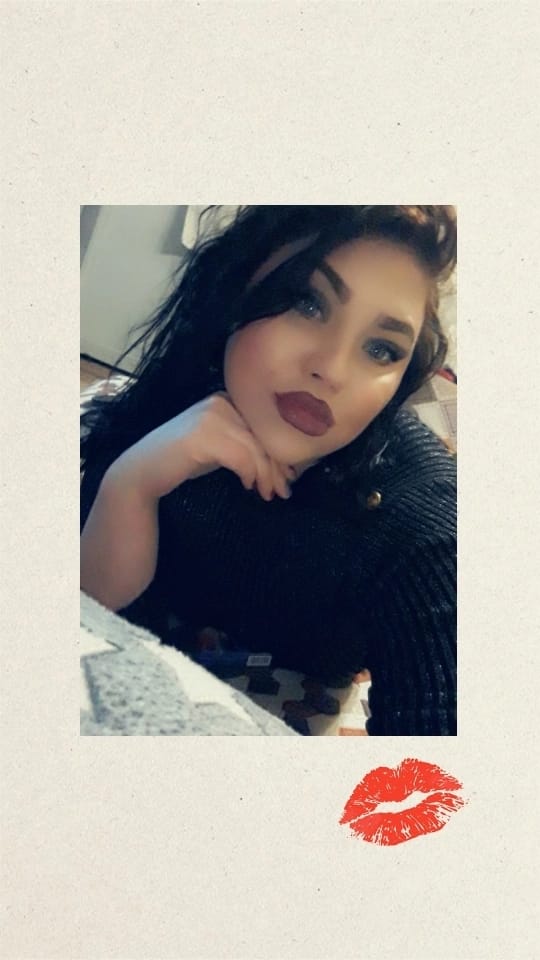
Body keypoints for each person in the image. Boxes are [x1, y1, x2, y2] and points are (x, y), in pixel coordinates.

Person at [80, 205, 457, 736]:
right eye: (307, 302)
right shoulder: (175, 392)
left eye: (381, 349)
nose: (331, 369)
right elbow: (84, 613)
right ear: (237, 289)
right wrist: (131, 485)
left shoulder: (423, 516)